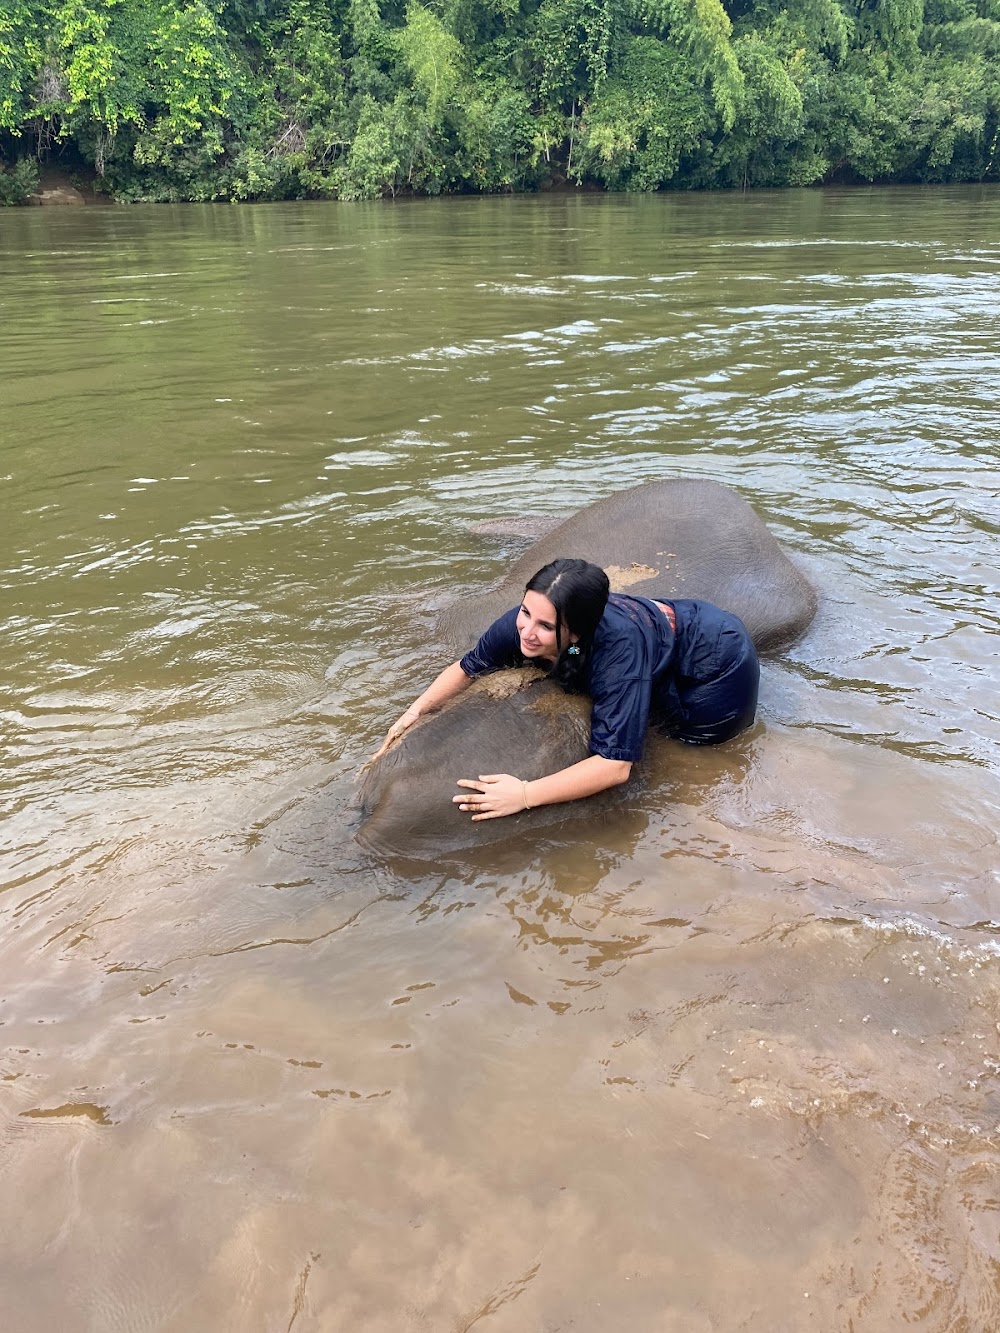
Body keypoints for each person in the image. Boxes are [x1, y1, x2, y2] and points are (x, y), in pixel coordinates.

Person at [374, 558, 760, 823]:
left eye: (544, 625)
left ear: (576, 631)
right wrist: (415, 712)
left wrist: (524, 795)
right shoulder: (525, 623)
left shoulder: (617, 652)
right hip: (650, 632)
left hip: (713, 661)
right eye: (525, 612)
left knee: (681, 745)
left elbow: (615, 766)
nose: (526, 631)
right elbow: (466, 669)